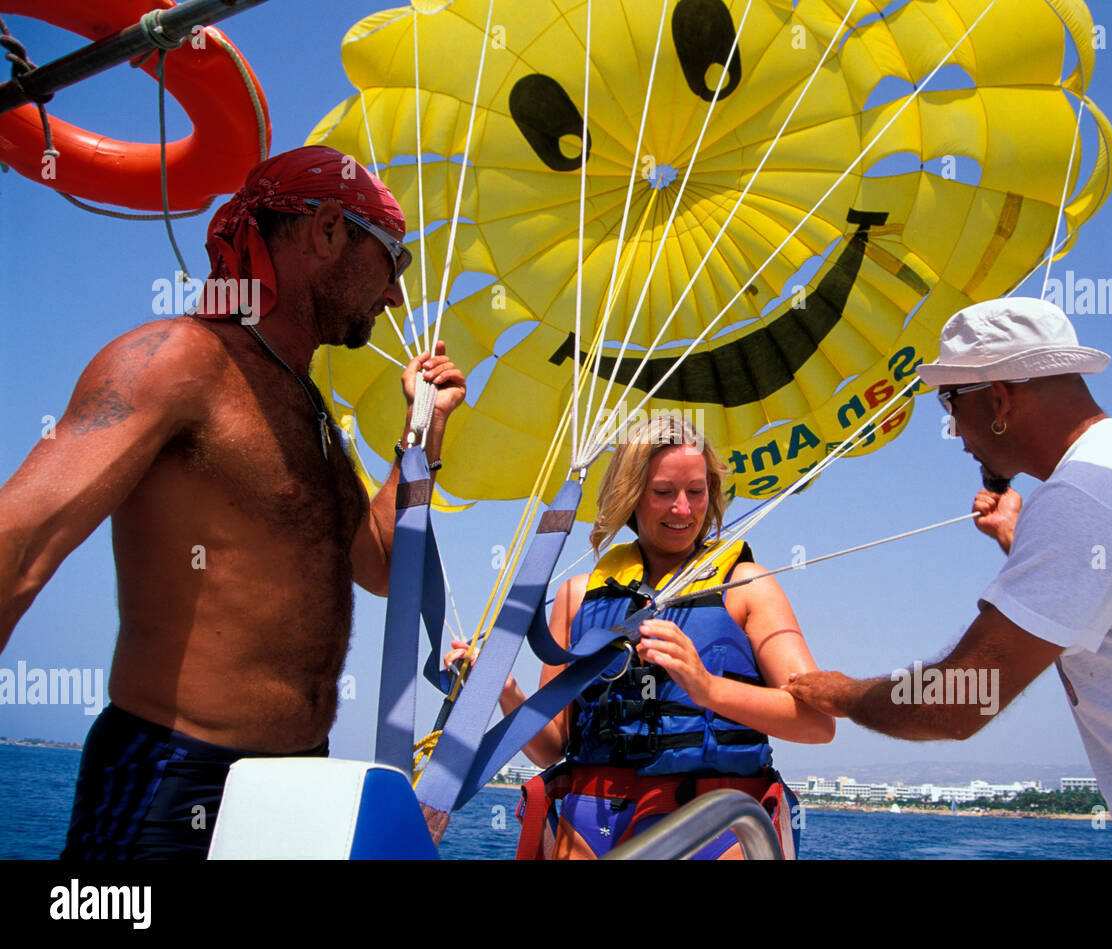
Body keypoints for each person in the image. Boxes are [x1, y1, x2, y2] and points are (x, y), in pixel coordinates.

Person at [0, 146, 466, 859]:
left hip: (294, 787)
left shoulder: (305, 405)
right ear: (329, 231)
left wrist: (422, 436)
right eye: (395, 260)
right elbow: (22, 540)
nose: (396, 296)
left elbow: (374, 565)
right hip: (169, 776)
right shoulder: (177, 360)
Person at [785, 296, 1112, 858]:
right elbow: (1108, 597)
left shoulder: (1083, 498)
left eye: (950, 404)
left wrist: (837, 691)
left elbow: (954, 704)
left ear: (999, 398)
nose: (955, 431)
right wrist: (1017, 540)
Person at [446, 415, 834, 859]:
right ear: (631, 496)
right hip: (594, 817)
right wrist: (506, 692)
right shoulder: (576, 597)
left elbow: (816, 724)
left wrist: (707, 688)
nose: (684, 510)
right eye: (664, 492)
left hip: (715, 818)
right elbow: (551, 747)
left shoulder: (748, 586)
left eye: (697, 491)